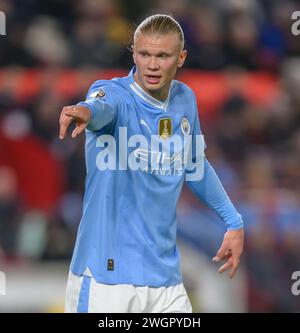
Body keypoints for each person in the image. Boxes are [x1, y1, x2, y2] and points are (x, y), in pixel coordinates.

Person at [59, 14, 244, 313]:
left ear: (181, 57)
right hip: (107, 279)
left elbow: (195, 167)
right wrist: (85, 111)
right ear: (133, 52)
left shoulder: (185, 100)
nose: (152, 65)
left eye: (162, 56)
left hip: (165, 281)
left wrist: (233, 222)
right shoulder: (114, 94)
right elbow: (100, 107)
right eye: (144, 54)